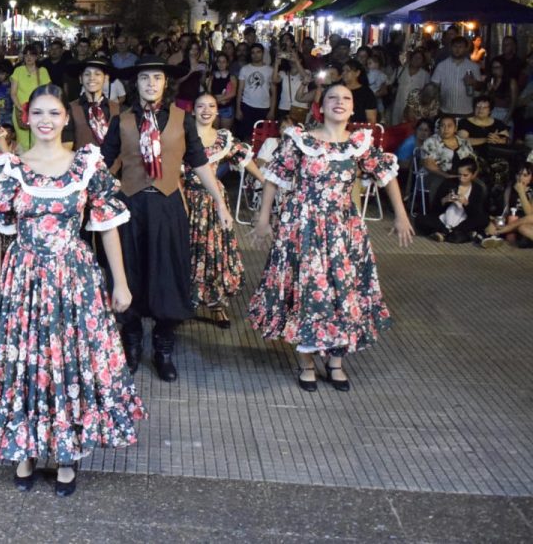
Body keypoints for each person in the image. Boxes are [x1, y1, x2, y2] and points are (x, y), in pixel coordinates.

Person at [0, 84, 144, 497]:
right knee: (27, 360)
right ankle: (24, 448)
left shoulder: (86, 164)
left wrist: (121, 282)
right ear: (26, 117)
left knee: (70, 362)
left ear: (64, 118)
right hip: (23, 278)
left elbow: (107, 225)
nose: (45, 120)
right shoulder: (10, 167)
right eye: (38, 112)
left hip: (74, 279)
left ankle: (66, 453)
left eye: (54, 113)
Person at [247, 83, 413, 392]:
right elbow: (274, 177)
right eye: (332, 98)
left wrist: (401, 216)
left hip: (343, 230)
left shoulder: (359, 144)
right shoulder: (301, 140)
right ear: (321, 107)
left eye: (346, 99)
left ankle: (335, 361)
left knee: (341, 293)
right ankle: (306, 360)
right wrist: (263, 219)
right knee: (308, 291)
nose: (339, 102)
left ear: (352, 108)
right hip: (302, 226)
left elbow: (387, 175)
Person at [100, 56, 232, 382]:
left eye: (156, 78)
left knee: (167, 275)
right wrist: (105, 186)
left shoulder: (181, 119)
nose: (150, 84)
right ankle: (131, 341)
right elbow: (102, 161)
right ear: (137, 84)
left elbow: (199, 163)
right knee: (129, 273)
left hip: (168, 208)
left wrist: (220, 203)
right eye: (145, 78)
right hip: (129, 209)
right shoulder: (123, 120)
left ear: (164, 83)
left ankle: (163, 347)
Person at [188, 94, 264, 328]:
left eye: (211, 106)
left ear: (218, 111)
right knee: (186, 250)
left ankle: (216, 304)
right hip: (185, 199)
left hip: (214, 203)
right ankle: (185, 300)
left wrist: (264, 181)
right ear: (193, 111)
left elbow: (244, 158)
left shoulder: (224, 139)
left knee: (214, 252)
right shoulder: (184, 136)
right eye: (200, 105)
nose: (206, 110)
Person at [413, 158, 489, 243]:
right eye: (459, 175)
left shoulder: (477, 189)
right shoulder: (449, 183)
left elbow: (476, 214)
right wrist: (444, 200)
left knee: (484, 219)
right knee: (420, 219)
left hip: (463, 223)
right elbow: (434, 209)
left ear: (473, 174)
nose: (461, 178)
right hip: (443, 221)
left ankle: (445, 234)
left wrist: (466, 203)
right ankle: (451, 233)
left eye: (465, 175)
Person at [65, 56, 121, 166]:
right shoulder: (70, 109)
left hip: (112, 174)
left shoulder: (117, 109)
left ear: (105, 79)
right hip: (80, 175)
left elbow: (123, 145)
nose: (92, 78)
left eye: (97, 74)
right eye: (87, 74)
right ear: (80, 79)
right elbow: (66, 148)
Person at [430, 36, 483, 117]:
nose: (457, 49)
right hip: (445, 111)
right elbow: (434, 86)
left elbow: (480, 89)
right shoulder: (441, 65)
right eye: (455, 46)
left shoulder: (474, 67)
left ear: (466, 49)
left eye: (460, 47)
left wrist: (474, 82)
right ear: (451, 48)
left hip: (467, 112)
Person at [11, 44, 50, 150]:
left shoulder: (42, 71)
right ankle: (23, 164)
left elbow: (47, 92)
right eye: (26, 54)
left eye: (31, 55)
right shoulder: (18, 71)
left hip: (37, 112)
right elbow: (13, 93)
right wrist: (20, 108)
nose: (28, 57)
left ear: (36, 57)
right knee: (22, 142)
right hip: (20, 112)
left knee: (37, 140)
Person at [235, 43, 275, 139]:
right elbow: (240, 90)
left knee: (261, 137)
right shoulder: (244, 69)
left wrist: (272, 111)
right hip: (247, 106)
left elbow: (274, 93)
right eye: (253, 52)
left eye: (258, 52)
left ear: (263, 53)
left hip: (264, 107)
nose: (255, 55)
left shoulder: (270, 70)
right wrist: (238, 109)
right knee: (247, 136)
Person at [421, 116, 476, 182]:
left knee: (480, 186)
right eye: (442, 126)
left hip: (463, 176)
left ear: (455, 128)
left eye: (449, 126)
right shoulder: (430, 142)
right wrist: (446, 175)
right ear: (439, 128)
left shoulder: (464, 142)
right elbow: (428, 164)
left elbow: (474, 162)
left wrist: (473, 175)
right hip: (438, 175)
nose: (446, 129)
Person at [391, 50, 431, 126]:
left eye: (419, 58)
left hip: (414, 109)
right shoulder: (400, 70)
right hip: (398, 105)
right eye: (415, 57)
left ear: (422, 61)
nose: (416, 60)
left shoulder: (425, 75)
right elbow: (389, 83)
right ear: (411, 58)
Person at [208, 52, 238, 131]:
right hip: (214, 107)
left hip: (226, 108)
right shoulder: (212, 76)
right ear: (216, 63)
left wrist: (218, 99)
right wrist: (218, 100)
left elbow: (233, 93)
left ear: (227, 63)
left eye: (223, 62)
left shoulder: (232, 77)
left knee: (225, 132)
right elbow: (208, 91)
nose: (221, 64)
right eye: (219, 61)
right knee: (214, 131)